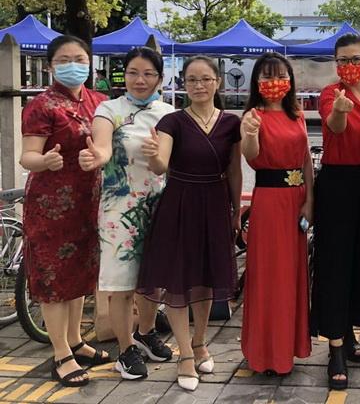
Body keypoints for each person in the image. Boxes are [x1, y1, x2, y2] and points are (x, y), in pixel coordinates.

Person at [136, 56, 241, 392]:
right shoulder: (173, 121)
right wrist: (153, 155)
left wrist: (236, 209)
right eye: (192, 79)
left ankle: (200, 342)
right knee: (178, 281)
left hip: (216, 203)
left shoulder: (231, 123)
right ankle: (184, 354)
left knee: (206, 279)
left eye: (205, 79)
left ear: (218, 82)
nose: (199, 85)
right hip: (180, 204)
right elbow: (160, 165)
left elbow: (235, 169)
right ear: (183, 83)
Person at [19, 35, 111, 387]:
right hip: (51, 206)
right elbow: (27, 156)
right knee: (54, 279)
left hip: (89, 202)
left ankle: (75, 340)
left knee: (80, 276)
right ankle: (60, 353)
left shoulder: (99, 102)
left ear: (90, 63)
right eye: (64, 60)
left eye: (80, 59)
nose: (74, 65)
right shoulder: (41, 106)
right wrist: (44, 161)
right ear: (50, 66)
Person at [78, 47, 174, 380]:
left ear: (160, 78)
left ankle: (146, 332)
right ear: (124, 75)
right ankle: (126, 348)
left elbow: (172, 161)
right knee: (121, 282)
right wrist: (98, 157)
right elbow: (103, 146)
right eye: (133, 72)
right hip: (119, 210)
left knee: (152, 278)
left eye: (148, 74)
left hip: (158, 205)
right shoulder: (109, 109)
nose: (140, 80)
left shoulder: (169, 114)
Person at [310, 34, 360, 390]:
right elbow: (335, 127)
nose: (350, 65)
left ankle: (351, 330)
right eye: (343, 60)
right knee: (334, 264)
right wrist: (340, 111)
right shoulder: (330, 94)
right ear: (336, 64)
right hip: (336, 183)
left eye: (356, 59)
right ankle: (335, 346)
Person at [240, 52, 314, 376]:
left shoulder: (296, 113)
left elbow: (306, 158)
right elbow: (251, 156)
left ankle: (286, 349)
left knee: (292, 276)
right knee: (269, 276)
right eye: (268, 76)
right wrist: (250, 134)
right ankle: (264, 353)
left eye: (281, 75)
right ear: (257, 81)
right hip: (269, 203)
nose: (275, 82)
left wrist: (310, 200)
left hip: (296, 201)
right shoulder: (253, 116)